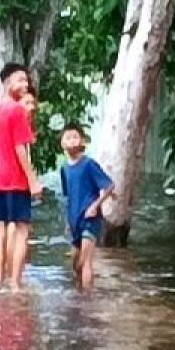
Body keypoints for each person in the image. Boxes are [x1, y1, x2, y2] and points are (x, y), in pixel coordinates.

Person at [0, 63, 42, 292]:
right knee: (21, 230)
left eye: (26, 81)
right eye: (20, 80)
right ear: (8, 82)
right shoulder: (17, 110)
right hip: (15, 181)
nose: (25, 84)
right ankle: (16, 284)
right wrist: (33, 181)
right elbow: (20, 149)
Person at [60, 123, 114, 291]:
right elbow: (68, 196)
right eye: (68, 137)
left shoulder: (89, 164)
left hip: (91, 218)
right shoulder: (64, 169)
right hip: (74, 219)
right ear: (62, 143)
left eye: (75, 137)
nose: (71, 140)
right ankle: (80, 291)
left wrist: (95, 206)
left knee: (85, 261)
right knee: (76, 262)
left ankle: (87, 302)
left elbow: (110, 186)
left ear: (82, 141)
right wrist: (68, 221)